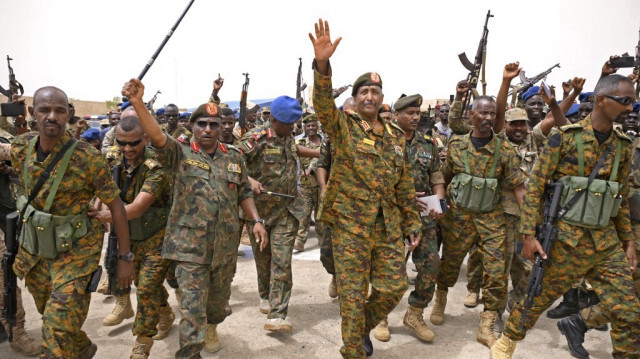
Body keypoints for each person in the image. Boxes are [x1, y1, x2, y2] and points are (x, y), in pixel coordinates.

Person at [492, 74, 640, 359]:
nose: (630, 108)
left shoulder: (623, 144)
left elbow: (619, 198)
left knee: (628, 309)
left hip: (606, 244)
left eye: (633, 102)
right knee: (535, 299)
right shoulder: (565, 138)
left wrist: (629, 243)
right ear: (600, 101)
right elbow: (535, 187)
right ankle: (507, 341)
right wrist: (529, 236)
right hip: (565, 243)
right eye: (624, 101)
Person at [122, 78, 268, 358]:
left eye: (214, 124)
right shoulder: (179, 154)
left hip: (224, 248)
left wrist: (257, 221)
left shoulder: (234, 156)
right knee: (191, 308)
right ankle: (190, 352)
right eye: (202, 123)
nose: (209, 129)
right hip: (189, 249)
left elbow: (244, 192)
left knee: (216, 305)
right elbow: (156, 136)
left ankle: (212, 325)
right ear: (192, 126)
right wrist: (138, 104)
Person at [309, 19, 422, 358]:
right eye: (363, 92)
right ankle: (353, 348)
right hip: (350, 226)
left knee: (394, 286)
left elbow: (404, 186)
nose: (369, 96)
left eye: (375, 92)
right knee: (353, 292)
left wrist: (412, 222)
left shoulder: (395, 138)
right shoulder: (343, 127)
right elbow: (323, 106)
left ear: (382, 98)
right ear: (355, 99)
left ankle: (359, 329)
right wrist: (322, 65)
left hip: (386, 225)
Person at [10, 86, 134, 358]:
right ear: (34, 113)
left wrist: (125, 258)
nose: (52, 116)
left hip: (76, 250)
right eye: (44, 110)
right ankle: (82, 349)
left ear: (68, 115)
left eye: (59, 110)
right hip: (36, 250)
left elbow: (117, 207)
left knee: (55, 328)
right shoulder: (21, 148)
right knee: (52, 316)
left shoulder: (87, 158)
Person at [431, 86, 527, 348]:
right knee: (450, 264)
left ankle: (486, 324)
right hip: (458, 218)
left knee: (496, 273)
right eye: (482, 113)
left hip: (491, 220)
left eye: (492, 114)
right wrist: (437, 205)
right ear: (471, 116)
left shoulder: (504, 150)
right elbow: (443, 176)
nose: (487, 118)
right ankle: (440, 299)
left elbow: (518, 186)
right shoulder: (457, 145)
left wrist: (530, 224)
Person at [89, 112, 174, 358]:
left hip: (155, 234)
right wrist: (98, 205)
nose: (127, 148)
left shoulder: (156, 166)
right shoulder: (112, 158)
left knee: (146, 287)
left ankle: (142, 343)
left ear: (145, 139)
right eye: (121, 142)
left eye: (133, 143)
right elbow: (101, 189)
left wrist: (105, 216)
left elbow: (137, 208)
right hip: (127, 235)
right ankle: (165, 312)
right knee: (143, 283)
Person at [240, 95, 319, 332]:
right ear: (273, 120)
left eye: (295, 123)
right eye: (288, 123)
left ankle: (278, 314)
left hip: (286, 210)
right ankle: (265, 295)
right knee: (263, 260)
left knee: (282, 262)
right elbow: (231, 164)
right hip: (259, 214)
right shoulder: (255, 139)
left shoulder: (287, 136)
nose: (293, 127)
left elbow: (296, 149)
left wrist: (318, 154)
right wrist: (250, 180)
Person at [372, 94, 445, 344]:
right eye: (410, 113)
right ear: (396, 114)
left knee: (430, 266)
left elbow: (436, 175)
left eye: (418, 113)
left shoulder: (428, 144)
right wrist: (403, 197)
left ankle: (414, 314)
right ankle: (380, 315)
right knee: (388, 269)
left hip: (425, 217)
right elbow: (374, 179)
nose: (415, 117)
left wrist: (440, 203)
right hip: (392, 217)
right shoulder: (382, 140)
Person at [294, 113, 324, 251]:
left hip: (322, 184)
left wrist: (311, 167)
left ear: (317, 126)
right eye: (308, 126)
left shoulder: (325, 142)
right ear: (304, 127)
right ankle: (300, 241)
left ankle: (323, 241)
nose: (311, 128)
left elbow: (322, 157)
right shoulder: (299, 143)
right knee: (304, 214)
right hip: (306, 185)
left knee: (321, 215)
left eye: (313, 125)